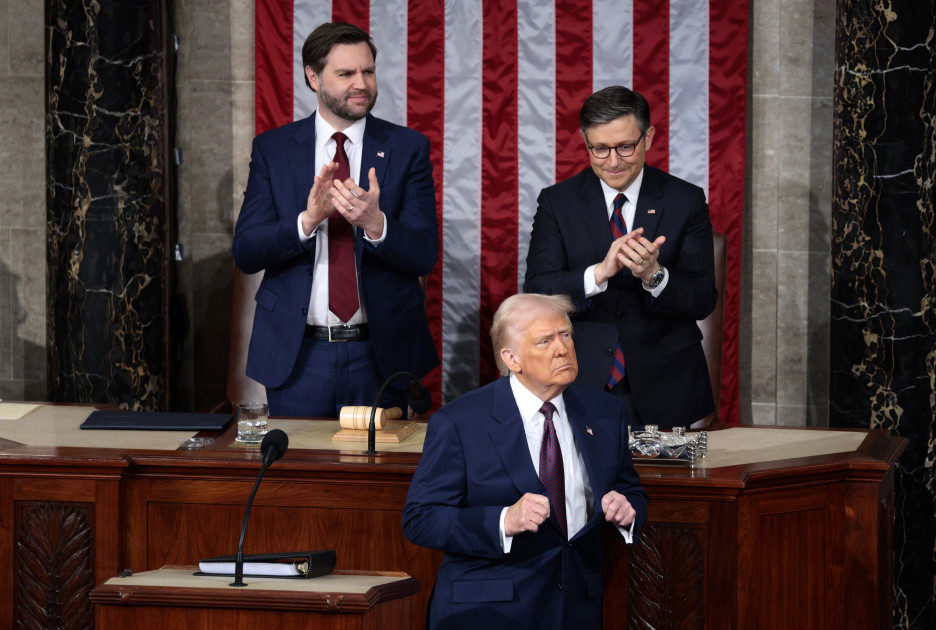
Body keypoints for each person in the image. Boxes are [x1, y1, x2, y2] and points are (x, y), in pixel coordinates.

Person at [403, 293, 648, 630]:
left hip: (578, 608)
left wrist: (628, 510)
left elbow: (630, 490)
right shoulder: (461, 422)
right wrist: (503, 520)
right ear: (512, 359)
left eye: (565, 335)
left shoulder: (605, 412)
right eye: (545, 340)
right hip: (489, 611)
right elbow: (421, 519)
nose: (562, 348)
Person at [232, 22, 438, 417]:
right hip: (298, 356)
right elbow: (246, 251)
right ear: (313, 77)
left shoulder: (407, 147)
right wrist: (306, 221)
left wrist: (377, 225)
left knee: (376, 477)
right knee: (298, 477)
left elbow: (424, 254)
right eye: (345, 74)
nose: (361, 84)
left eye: (368, 71)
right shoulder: (274, 149)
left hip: (379, 355)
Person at [524, 86, 716, 429]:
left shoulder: (685, 200)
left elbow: (702, 299)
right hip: (580, 377)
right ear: (585, 141)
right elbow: (538, 288)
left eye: (625, 146)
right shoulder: (558, 202)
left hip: (666, 384)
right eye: (600, 149)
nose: (613, 161)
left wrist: (655, 276)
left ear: (648, 137)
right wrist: (597, 274)